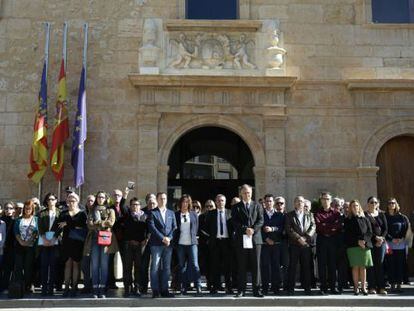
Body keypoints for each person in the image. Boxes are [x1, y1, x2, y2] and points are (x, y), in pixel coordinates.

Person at [231, 184, 264, 298]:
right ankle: (241, 290)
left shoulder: (258, 205)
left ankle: (257, 290)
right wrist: (245, 229)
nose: (247, 195)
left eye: (249, 193)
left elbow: (261, 220)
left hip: (255, 239)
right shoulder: (236, 207)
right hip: (242, 239)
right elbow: (234, 222)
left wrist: (253, 229)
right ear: (241, 194)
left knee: (256, 265)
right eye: (244, 193)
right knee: (242, 265)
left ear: (251, 193)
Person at [84, 191, 118, 298]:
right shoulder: (92, 210)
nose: (100, 199)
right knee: (94, 265)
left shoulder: (110, 210)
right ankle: (95, 289)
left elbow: (111, 222)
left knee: (104, 265)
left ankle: (102, 289)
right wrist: (103, 223)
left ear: (106, 199)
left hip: (105, 240)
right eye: (98, 197)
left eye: (102, 197)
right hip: (94, 239)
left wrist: (98, 223)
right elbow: (89, 225)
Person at [57, 192, 87, 297]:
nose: (71, 202)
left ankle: (74, 287)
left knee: (76, 264)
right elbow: (59, 226)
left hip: (78, 242)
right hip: (66, 242)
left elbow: (83, 226)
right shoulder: (63, 213)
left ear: (77, 201)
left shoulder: (82, 213)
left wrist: (68, 224)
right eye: (69, 200)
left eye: (73, 200)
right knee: (67, 264)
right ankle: (66, 288)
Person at [148, 192, 177, 298]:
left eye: (164, 198)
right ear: (157, 199)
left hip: (168, 244)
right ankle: (155, 290)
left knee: (167, 268)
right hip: (156, 244)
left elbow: (174, 227)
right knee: (154, 267)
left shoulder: (171, 213)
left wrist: (169, 238)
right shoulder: (152, 213)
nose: (163, 200)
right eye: (161, 198)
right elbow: (152, 227)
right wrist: (162, 238)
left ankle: (165, 290)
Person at [285, 195, 315, 296]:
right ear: (294, 203)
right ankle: (290, 289)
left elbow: (313, 226)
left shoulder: (309, 214)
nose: (300, 203)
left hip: (306, 245)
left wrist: (306, 237)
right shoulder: (289, 215)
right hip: (294, 244)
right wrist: (298, 238)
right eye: (297, 201)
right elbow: (289, 229)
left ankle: (307, 288)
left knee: (306, 267)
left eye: (301, 201)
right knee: (292, 267)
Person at [173, 194, 202, 296]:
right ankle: (183, 287)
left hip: (192, 243)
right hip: (180, 244)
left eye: (187, 202)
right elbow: (174, 229)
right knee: (182, 266)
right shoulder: (176, 214)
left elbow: (196, 228)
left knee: (195, 265)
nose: (185, 204)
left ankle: (198, 286)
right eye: (183, 202)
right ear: (180, 203)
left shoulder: (193, 214)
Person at [314, 192, 342, 295]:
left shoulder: (336, 213)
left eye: (327, 199)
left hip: (333, 241)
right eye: (323, 199)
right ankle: (323, 287)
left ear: (331, 201)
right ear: (321, 200)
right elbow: (318, 226)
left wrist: (326, 225)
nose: (325, 201)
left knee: (332, 265)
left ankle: (333, 287)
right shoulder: (317, 213)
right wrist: (330, 226)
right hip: (321, 240)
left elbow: (338, 226)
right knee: (321, 265)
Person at [205, 194, 233, 294]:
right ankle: (215, 286)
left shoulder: (230, 213)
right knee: (215, 265)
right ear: (215, 202)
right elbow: (206, 228)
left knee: (227, 266)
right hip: (215, 242)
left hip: (227, 242)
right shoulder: (211, 213)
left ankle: (228, 287)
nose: (220, 202)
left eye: (222, 201)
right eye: (218, 201)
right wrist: (209, 239)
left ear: (225, 202)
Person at [344, 200, 373, 295]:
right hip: (353, 246)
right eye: (353, 206)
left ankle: (364, 287)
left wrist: (363, 240)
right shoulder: (348, 220)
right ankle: (356, 287)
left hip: (364, 246)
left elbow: (370, 232)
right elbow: (347, 234)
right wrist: (358, 241)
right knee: (355, 267)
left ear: (359, 207)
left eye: (356, 205)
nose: (355, 207)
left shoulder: (365, 219)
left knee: (363, 267)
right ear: (350, 208)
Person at [261, 194, 286, 295]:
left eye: (271, 201)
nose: (269, 203)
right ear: (264, 203)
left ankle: (275, 287)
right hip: (264, 244)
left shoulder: (280, 215)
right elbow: (257, 228)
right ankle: (265, 287)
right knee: (265, 266)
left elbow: (282, 228)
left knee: (276, 266)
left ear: (273, 203)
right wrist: (266, 238)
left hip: (276, 244)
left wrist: (272, 229)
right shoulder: (260, 214)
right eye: (267, 201)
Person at [123, 197, 147, 297]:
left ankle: (137, 288)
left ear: (140, 206)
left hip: (140, 245)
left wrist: (144, 240)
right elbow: (124, 231)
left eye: (137, 204)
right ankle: (127, 289)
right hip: (129, 244)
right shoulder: (127, 216)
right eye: (133, 204)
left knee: (138, 267)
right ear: (130, 206)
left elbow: (147, 230)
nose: (135, 206)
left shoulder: (145, 217)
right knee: (128, 268)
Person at [38, 193, 61, 296]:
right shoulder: (42, 213)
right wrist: (44, 238)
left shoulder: (60, 213)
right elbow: (40, 226)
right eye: (48, 199)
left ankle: (51, 288)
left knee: (53, 266)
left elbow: (60, 227)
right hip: (44, 242)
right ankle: (44, 289)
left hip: (55, 242)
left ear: (56, 200)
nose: (50, 201)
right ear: (46, 201)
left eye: (52, 199)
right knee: (44, 265)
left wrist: (54, 238)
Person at [385, 198, 409, 293]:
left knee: (400, 264)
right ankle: (392, 285)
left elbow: (406, 229)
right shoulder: (385, 217)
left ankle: (399, 284)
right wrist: (391, 239)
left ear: (396, 205)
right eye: (390, 203)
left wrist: (401, 238)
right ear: (387, 205)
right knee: (391, 265)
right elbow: (384, 230)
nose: (391, 205)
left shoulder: (402, 217)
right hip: (389, 245)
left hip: (401, 244)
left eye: (393, 203)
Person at [14, 200, 38, 293]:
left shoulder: (36, 219)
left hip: (31, 246)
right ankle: (19, 285)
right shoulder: (19, 220)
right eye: (26, 208)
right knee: (19, 266)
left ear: (32, 209)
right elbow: (16, 232)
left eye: (29, 208)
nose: (27, 210)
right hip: (20, 246)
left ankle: (28, 285)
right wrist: (21, 242)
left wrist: (29, 241)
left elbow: (36, 232)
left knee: (29, 267)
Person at [365, 196, 388, 295]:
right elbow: (366, 230)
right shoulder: (365, 215)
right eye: (371, 202)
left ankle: (381, 287)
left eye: (375, 202)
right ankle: (372, 287)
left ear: (377, 204)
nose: (373, 204)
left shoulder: (382, 214)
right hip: (370, 243)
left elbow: (386, 229)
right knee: (371, 265)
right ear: (368, 204)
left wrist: (381, 238)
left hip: (381, 244)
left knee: (380, 265)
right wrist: (375, 238)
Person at [108, 188, 130, 289]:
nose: (117, 197)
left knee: (125, 260)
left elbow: (126, 218)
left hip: (123, 238)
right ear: (112, 197)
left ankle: (127, 283)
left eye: (119, 195)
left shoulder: (126, 208)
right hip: (112, 237)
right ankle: (111, 283)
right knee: (110, 261)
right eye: (115, 195)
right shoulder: (109, 208)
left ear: (122, 197)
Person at [139, 193, 157, 294]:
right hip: (145, 243)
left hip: (157, 242)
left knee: (156, 266)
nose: (152, 204)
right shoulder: (142, 213)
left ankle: (156, 286)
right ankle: (143, 287)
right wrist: (144, 238)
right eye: (150, 202)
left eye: (153, 202)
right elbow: (140, 227)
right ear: (146, 202)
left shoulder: (160, 212)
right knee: (144, 265)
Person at [81, 194, 95, 294]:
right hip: (84, 242)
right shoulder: (83, 213)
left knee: (95, 266)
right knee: (85, 265)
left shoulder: (97, 212)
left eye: (92, 201)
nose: (90, 203)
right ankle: (86, 285)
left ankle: (94, 285)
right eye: (89, 201)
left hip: (95, 241)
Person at [0, 202, 16, 292]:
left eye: (10, 208)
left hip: (11, 248)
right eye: (6, 208)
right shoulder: (1, 220)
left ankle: (5, 286)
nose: (8, 210)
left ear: (14, 210)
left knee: (8, 269)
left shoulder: (15, 221)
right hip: (1, 248)